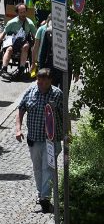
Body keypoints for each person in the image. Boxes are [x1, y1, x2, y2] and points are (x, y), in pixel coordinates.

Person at [16, 69, 64, 213]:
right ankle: (41, 194)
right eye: (38, 81)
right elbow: (21, 109)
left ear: (50, 81)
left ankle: (45, 198)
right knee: (37, 169)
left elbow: (64, 114)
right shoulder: (31, 91)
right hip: (34, 139)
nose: (40, 84)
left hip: (51, 140)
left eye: (43, 82)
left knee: (48, 169)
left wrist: (67, 133)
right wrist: (18, 129)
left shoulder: (57, 94)